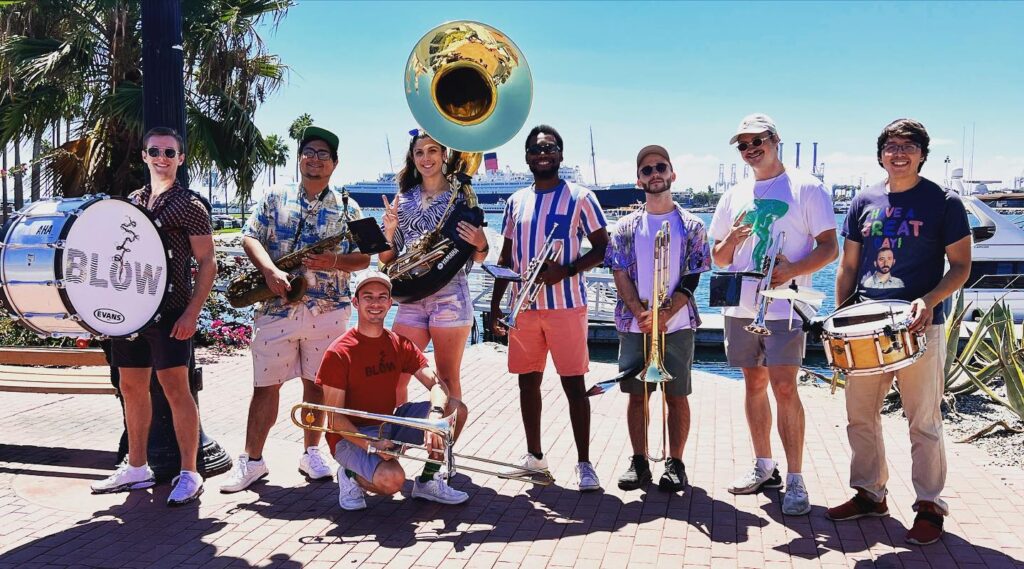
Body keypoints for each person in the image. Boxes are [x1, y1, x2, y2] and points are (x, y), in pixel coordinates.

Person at [830, 118, 971, 546]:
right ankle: (870, 493)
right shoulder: (863, 200)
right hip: (866, 329)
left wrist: (928, 301)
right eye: (892, 145)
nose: (899, 152)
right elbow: (849, 267)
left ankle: (929, 505)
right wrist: (839, 320)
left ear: (922, 154)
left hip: (919, 327)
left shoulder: (944, 202)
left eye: (909, 146)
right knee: (860, 416)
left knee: (923, 420)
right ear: (881, 154)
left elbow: (961, 267)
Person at [219, 126, 371, 493]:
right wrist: (270, 271)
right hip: (276, 309)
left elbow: (365, 258)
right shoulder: (274, 196)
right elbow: (249, 235)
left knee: (316, 386)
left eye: (323, 154)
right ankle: (252, 461)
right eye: (309, 152)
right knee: (264, 387)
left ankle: (311, 453)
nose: (315, 159)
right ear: (299, 157)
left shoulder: (350, 206)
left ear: (335, 163)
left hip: (327, 310)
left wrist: (333, 261)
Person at [709, 113, 838, 515]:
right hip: (742, 304)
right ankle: (765, 466)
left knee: (785, 388)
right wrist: (731, 238)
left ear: (775, 139)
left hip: (784, 303)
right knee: (752, 386)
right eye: (743, 145)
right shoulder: (733, 196)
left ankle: (796, 479)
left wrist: (792, 271)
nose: (750, 150)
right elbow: (718, 257)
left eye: (757, 141)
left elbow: (829, 247)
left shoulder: (807, 188)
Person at [90, 127, 216, 506]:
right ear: (144, 156)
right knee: (131, 388)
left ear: (180, 158)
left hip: (171, 313)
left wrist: (193, 312)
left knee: (178, 390)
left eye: (170, 151)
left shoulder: (190, 206)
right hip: (131, 314)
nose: (162, 157)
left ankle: (191, 473)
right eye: (155, 150)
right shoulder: (132, 202)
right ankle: (137, 468)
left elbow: (208, 262)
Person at [489, 125, 609, 491]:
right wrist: (496, 306)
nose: (544, 153)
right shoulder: (515, 202)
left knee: (574, 385)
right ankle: (535, 458)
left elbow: (603, 248)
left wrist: (567, 270)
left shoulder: (581, 197)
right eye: (537, 149)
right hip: (523, 308)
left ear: (560, 154)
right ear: (527, 157)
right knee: (528, 383)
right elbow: (507, 256)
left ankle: (585, 464)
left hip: (566, 306)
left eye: (551, 148)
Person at [316, 270, 470, 510]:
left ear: (390, 303)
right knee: (392, 481)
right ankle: (349, 474)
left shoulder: (399, 343)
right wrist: (371, 445)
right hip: (350, 435)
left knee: (455, 410)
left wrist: (435, 416)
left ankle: (428, 481)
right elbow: (335, 420)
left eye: (381, 297)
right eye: (368, 297)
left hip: (387, 422)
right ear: (356, 302)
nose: (375, 303)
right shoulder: (339, 352)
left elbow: (436, 384)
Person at [605, 145, 711, 492]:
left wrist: (668, 311)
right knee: (637, 395)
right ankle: (639, 461)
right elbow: (619, 271)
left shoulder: (693, 225)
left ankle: (675, 463)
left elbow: (695, 273)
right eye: (647, 170)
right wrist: (640, 312)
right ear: (639, 180)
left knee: (677, 395)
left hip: (676, 324)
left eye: (660, 168)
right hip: (637, 324)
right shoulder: (624, 227)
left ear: (672, 174)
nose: (654, 174)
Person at [379, 131, 489, 405]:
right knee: (395, 374)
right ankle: (396, 439)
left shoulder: (462, 197)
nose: (426, 158)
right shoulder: (403, 199)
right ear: (412, 158)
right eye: (419, 152)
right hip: (413, 296)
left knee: (447, 377)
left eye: (432, 151)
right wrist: (389, 231)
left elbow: (478, 258)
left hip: (450, 295)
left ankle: (442, 446)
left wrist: (480, 242)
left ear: (443, 155)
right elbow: (386, 257)